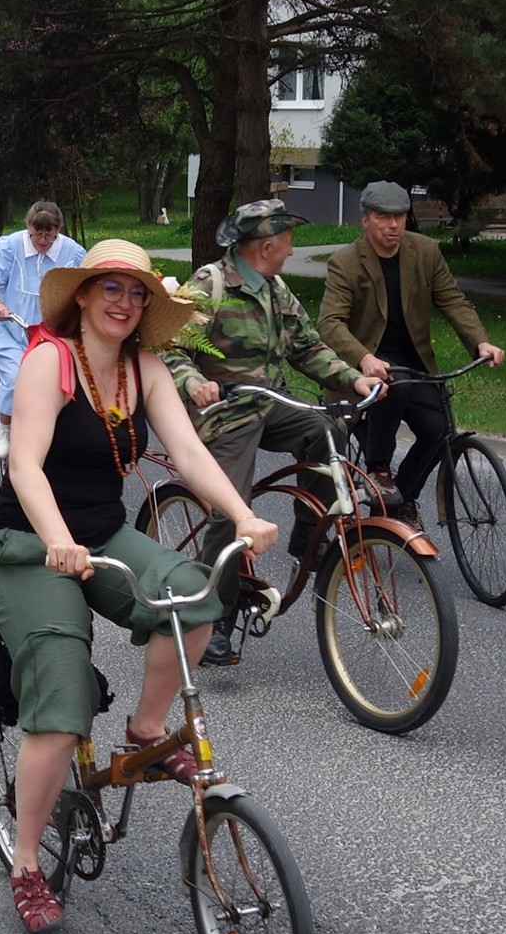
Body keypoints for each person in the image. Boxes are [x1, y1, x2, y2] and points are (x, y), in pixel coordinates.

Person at [0, 238, 278, 934]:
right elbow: (25, 465)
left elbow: (186, 452)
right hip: (30, 544)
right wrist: (57, 539)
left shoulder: (144, 367)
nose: (124, 302)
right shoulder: (49, 361)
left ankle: (145, 731)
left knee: (198, 593)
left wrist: (240, 513)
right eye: (110, 288)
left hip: (106, 536)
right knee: (60, 701)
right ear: (82, 297)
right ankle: (27, 864)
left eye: (136, 292)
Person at [164, 198, 384, 665]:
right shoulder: (210, 283)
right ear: (265, 245)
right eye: (286, 241)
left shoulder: (277, 289)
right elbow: (169, 346)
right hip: (226, 414)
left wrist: (352, 377)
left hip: (273, 405)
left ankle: (308, 532)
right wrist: (193, 381)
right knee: (230, 510)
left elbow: (307, 346)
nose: (290, 249)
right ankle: (214, 618)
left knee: (326, 429)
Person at [318, 180, 505, 521]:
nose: (393, 226)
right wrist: (365, 358)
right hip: (362, 373)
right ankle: (378, 468)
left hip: (416, 366)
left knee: (438, 432)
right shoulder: (344, 263)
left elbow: (452, 300)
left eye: (400, 217)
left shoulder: (426, 252)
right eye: (383, 218)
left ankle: (400, 501)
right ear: (365, 220)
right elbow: (330, 324)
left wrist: (480, 341)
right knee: (396, 384)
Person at [0, 201, 86, 460]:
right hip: (12, 327)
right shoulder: (10, 246)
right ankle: (4, 424)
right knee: (16, 378)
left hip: (51, 332)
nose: (43, 239)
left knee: (65, 384)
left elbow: (83, 290)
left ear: (58, 230)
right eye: (37, 233)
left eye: (50, 234)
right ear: (28, 228)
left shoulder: (72, 253)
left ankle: (56, 434)